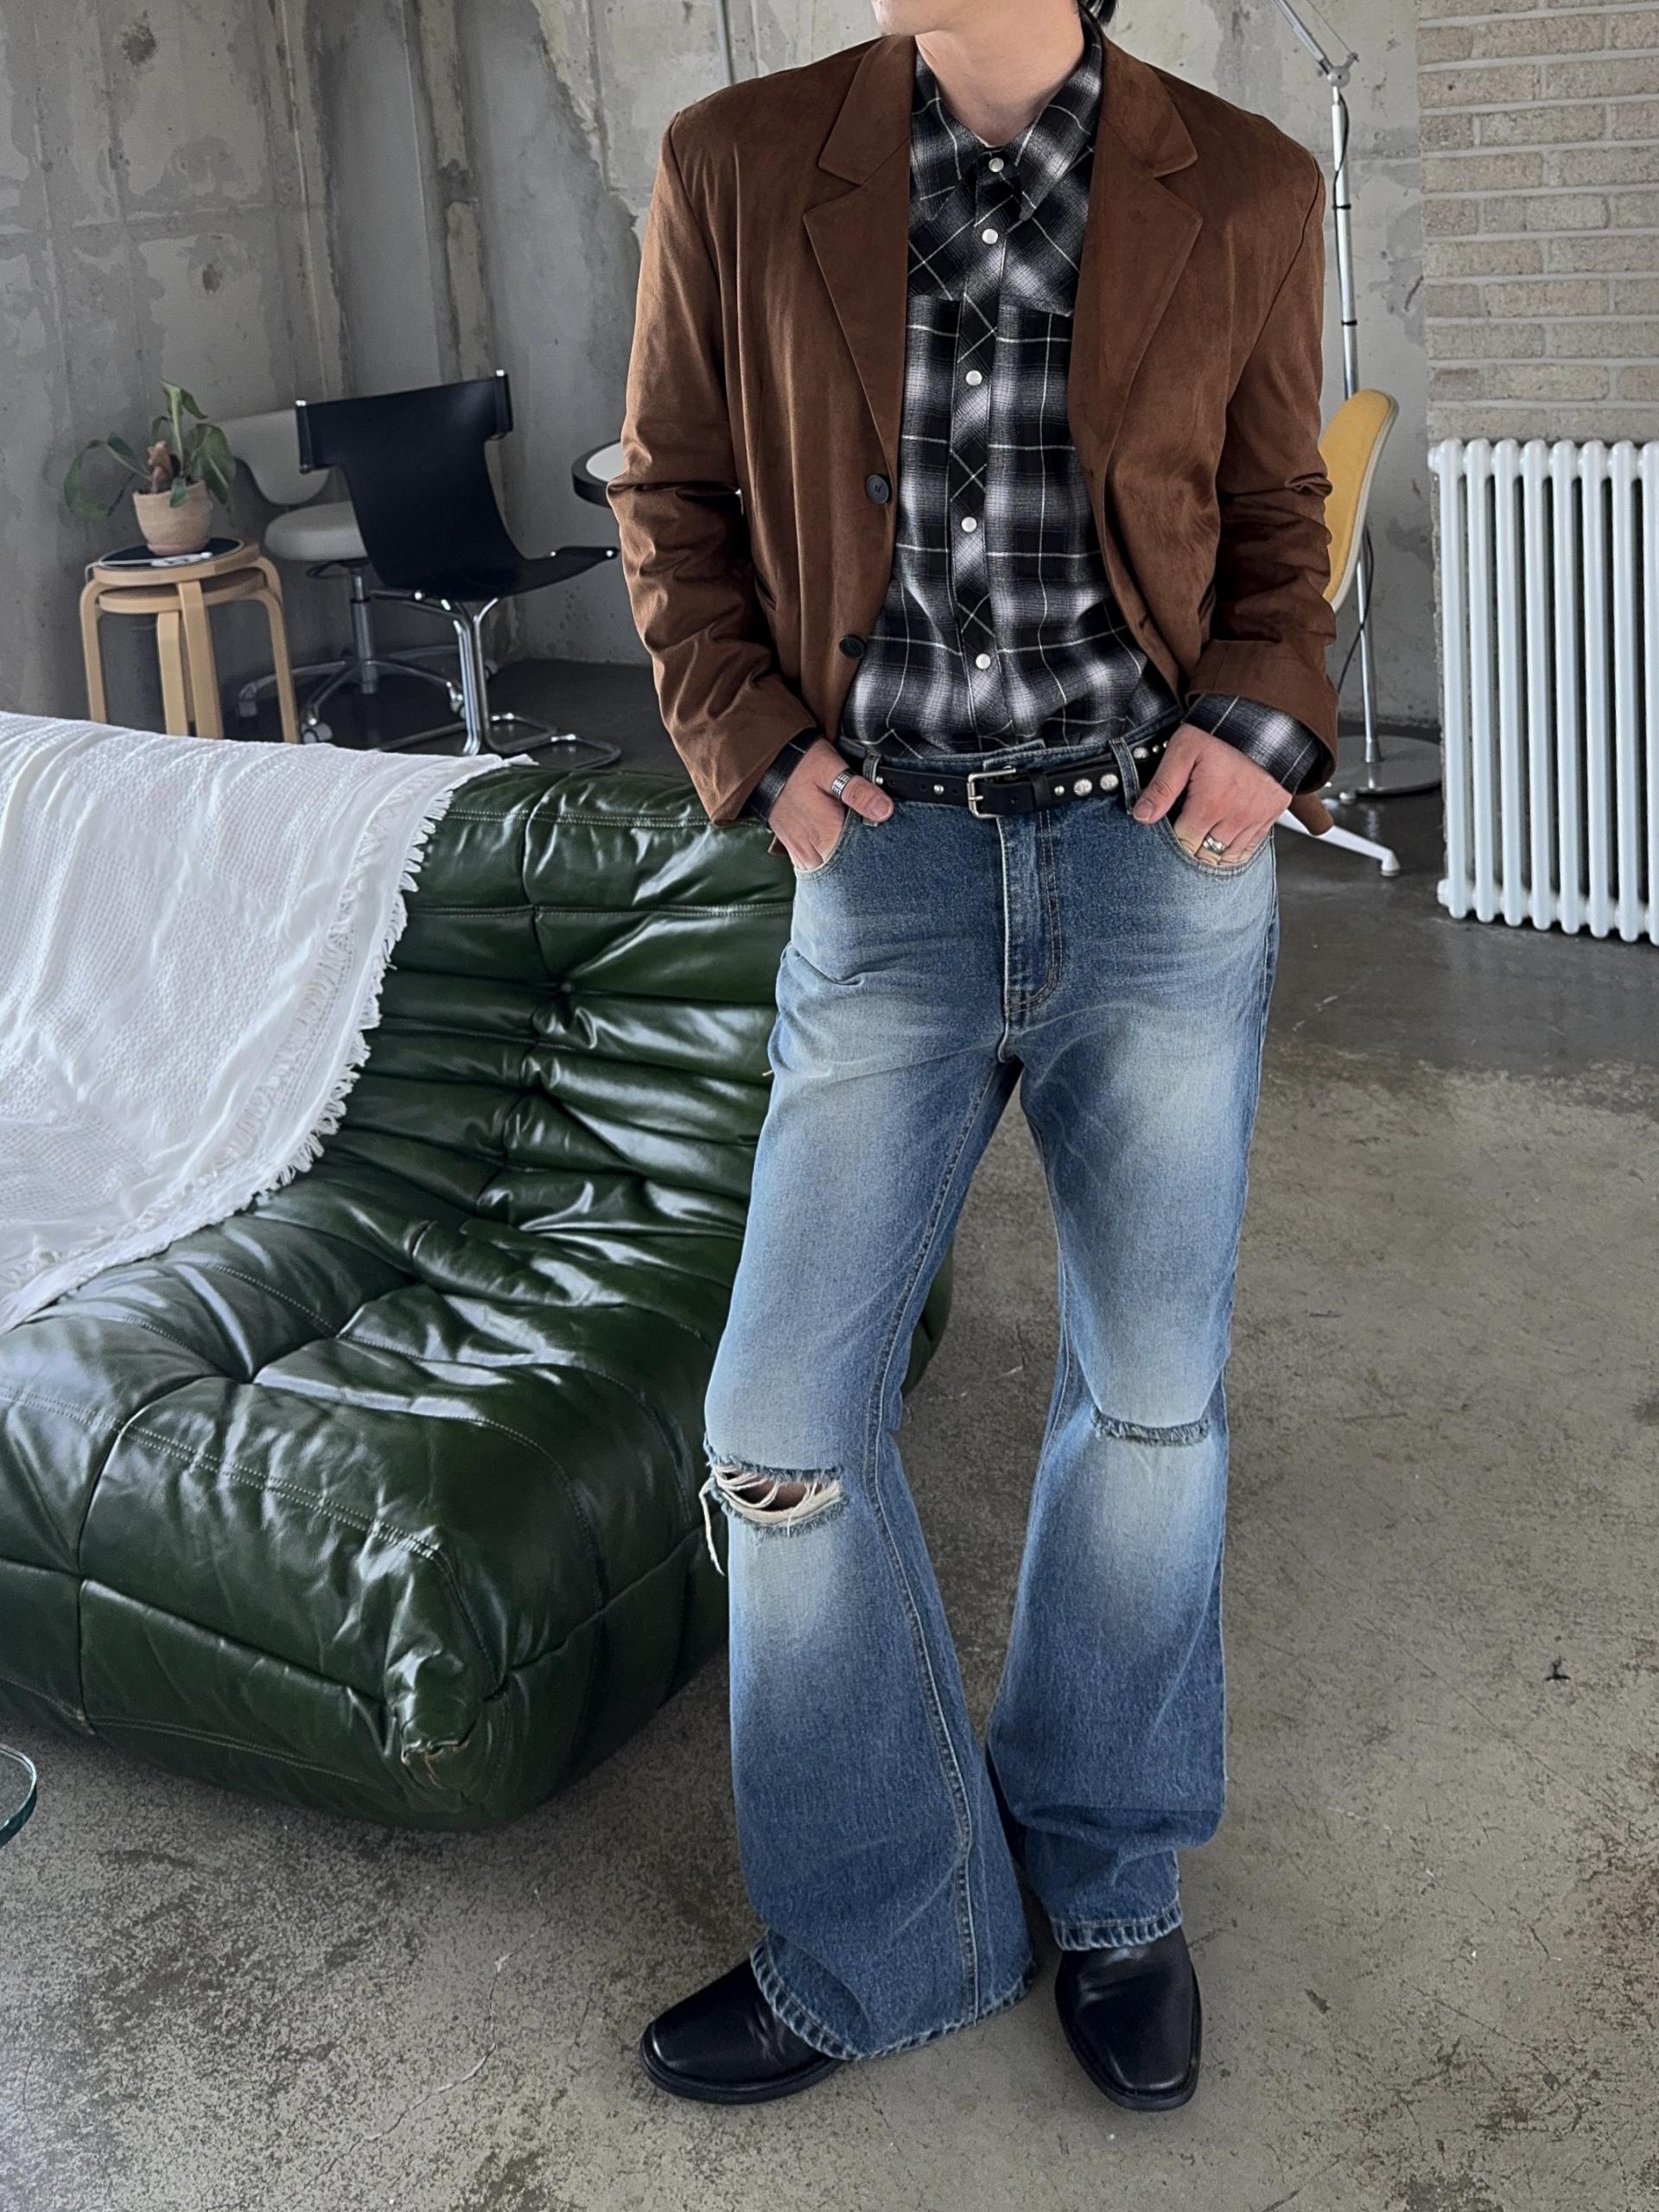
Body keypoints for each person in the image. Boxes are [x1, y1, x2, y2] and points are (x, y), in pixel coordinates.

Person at [607, 0, 1337, 2112]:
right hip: (889, 876)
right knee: (779, 1421)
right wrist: (761, 755)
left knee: (1151, 1403)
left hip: (1158, 871)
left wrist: (1259, 732)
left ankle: (1109, 1871)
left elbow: (1280, 521)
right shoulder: (736, 163)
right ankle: (895, 1924)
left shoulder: (1248, 181)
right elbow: (668, 498)